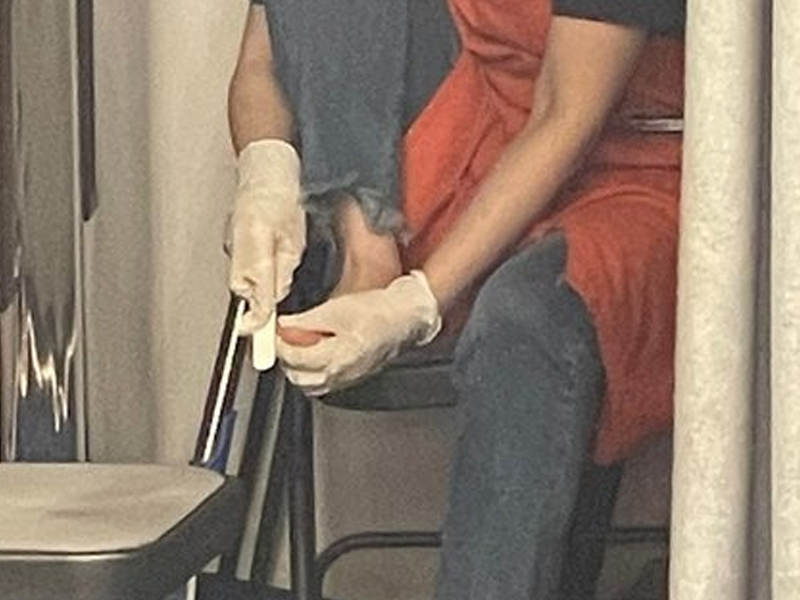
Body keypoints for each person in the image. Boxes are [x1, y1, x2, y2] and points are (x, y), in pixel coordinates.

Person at [227, 0, 685, 598]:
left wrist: (415, 304)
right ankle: (369, 250)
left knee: (527, 322)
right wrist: (265, 174)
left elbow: (565, 113)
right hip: (483, 124)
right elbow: (263, 61)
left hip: (638, 165)